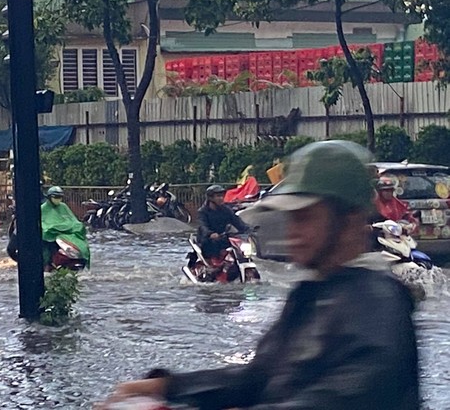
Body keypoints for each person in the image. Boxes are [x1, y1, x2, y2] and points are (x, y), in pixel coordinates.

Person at [104, 140, 419, 410]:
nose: (293, 232)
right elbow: (258, 376)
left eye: (306, 218)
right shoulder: (309, 294)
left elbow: (333, 399)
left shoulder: (380, 306)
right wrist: (165, 387)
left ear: (350, 221)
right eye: (291, 218)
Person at [40, 186, 90, 270]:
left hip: (67, 233)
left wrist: (77, 226)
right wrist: (51, 228)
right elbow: (43, 223)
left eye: (60, 197)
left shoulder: (63, 206)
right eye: (55, 197)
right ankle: (49, 262)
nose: (58, 199)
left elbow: (72, 219)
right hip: (52, 235)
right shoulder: (43, 208)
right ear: (49, 197)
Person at [196, 184, 249, 260]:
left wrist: (248, 229)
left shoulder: (226, 210)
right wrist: (210, 234)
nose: (221, 198)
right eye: (218, 196)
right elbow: (203, 226)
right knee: (211, 246)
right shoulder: (203, 212)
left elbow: (236, 220)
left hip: (223, 237)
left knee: (238, 251)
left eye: (222, 196)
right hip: (207, 240)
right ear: (210, 198)